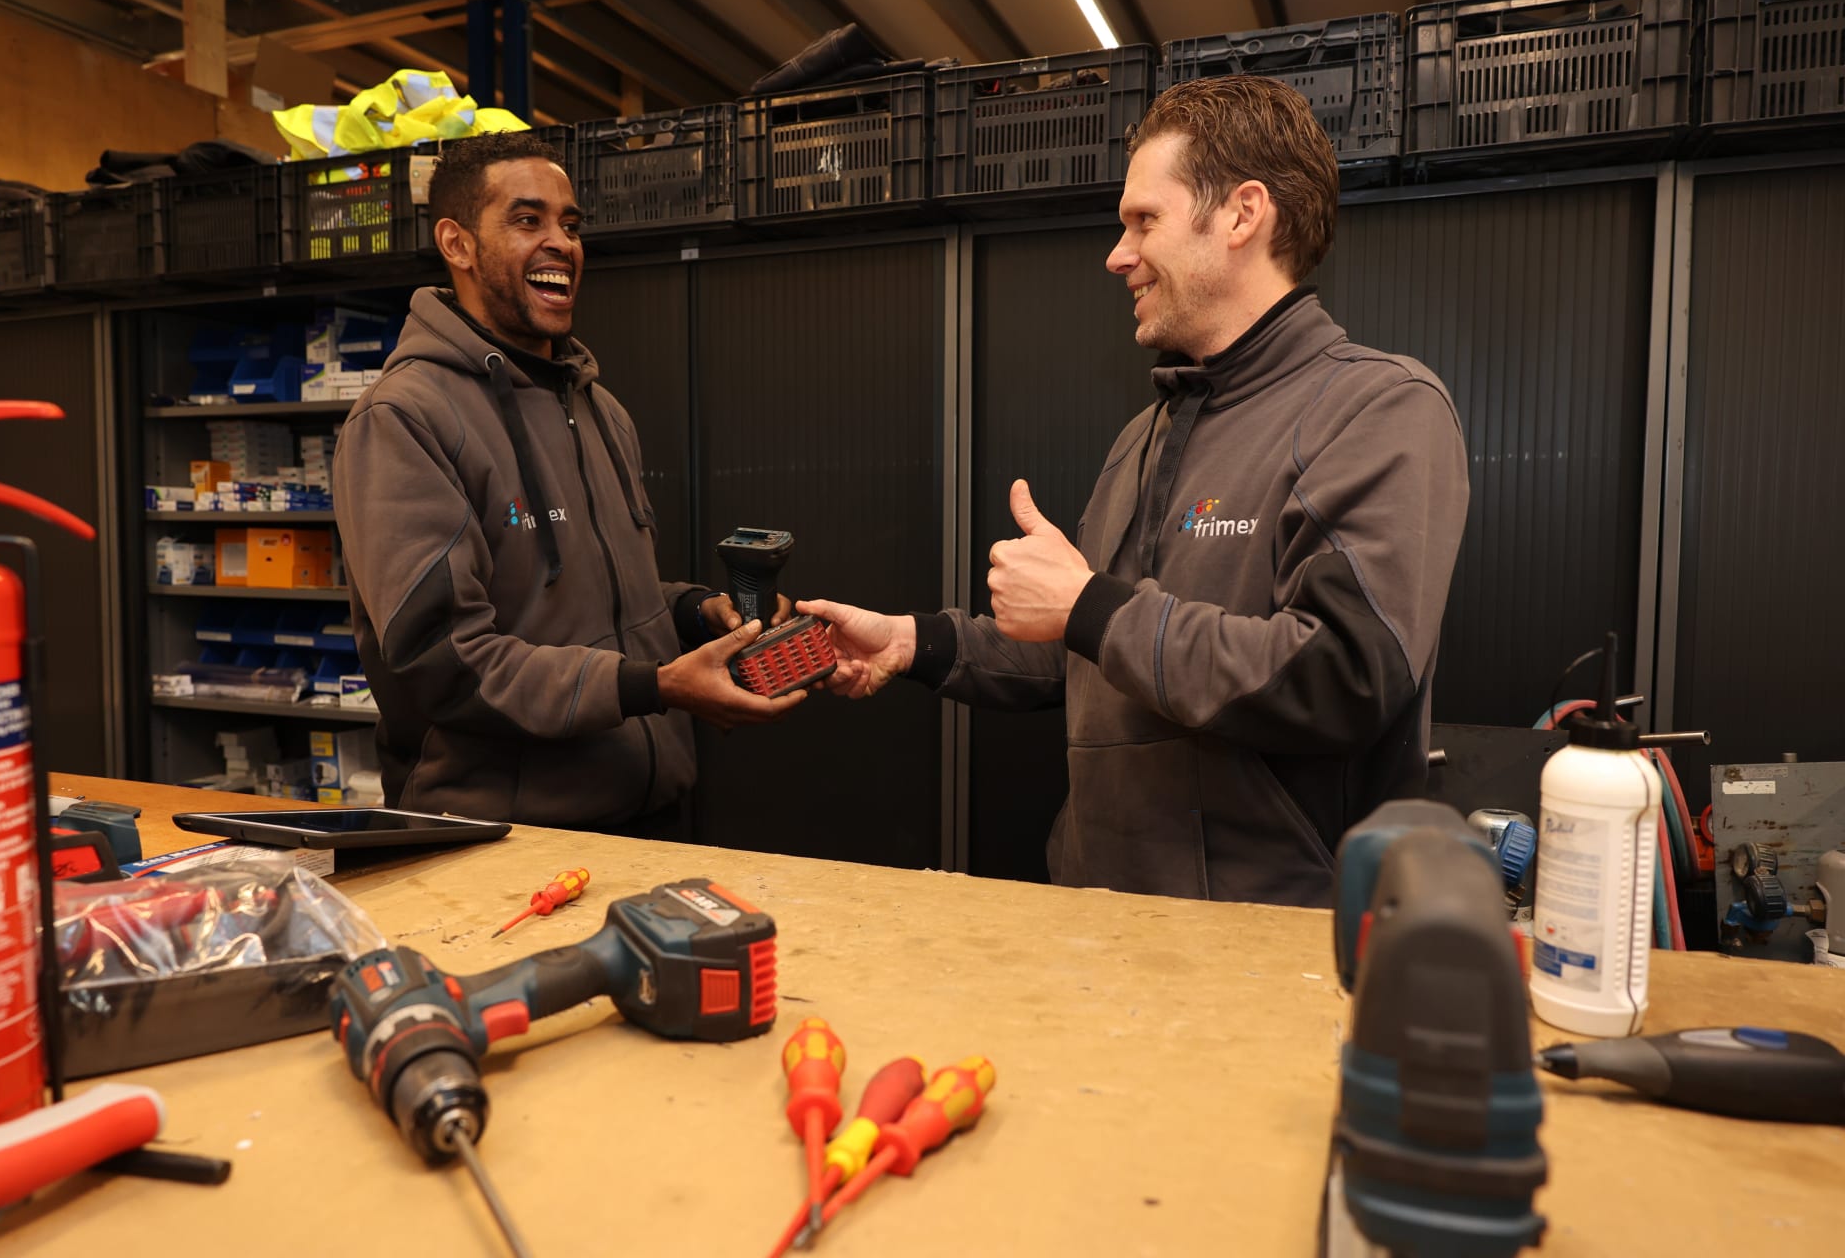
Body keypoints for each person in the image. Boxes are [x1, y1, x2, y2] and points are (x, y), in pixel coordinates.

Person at [799, 77, 1470, 905]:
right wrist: (912, 642)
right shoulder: (1142, 439)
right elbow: (1095, 651)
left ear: (1242, 214)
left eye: (1144, 220)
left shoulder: (1379, 408)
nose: (1118, 255)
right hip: (1100, 913)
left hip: (1269, 939)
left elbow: (1343, 677)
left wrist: (1087, 604)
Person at [335, 131, 802, 830]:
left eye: (571, 225)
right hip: (505, 838)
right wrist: (655, 686)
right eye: (528, 220)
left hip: (650, 814)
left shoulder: (597, 407)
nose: (562, 243)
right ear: (458, 245)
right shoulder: (404, 418)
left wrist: (692, 613)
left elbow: (584, 602)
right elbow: (444, 662)